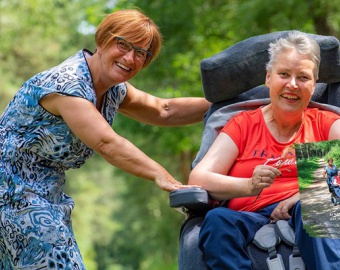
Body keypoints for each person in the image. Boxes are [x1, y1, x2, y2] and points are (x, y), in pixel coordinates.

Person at [0, 9, 210, 269]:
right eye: (123, 45)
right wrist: (162, 175)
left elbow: (164, 110)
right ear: (102, 40)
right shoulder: (68, 86)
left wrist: (234, 104)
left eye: (141, 53)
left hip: (42, 196)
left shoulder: (112, 89)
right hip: (14, 196)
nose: (130, 58)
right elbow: (107, 143)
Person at [189, 31, 340, 269]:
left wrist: (301, 196)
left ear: (314, 83)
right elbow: (198, 178)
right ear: (268, 78)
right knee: (216, 221)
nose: (292, 85)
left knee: (313, 206)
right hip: (248, 215)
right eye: (284, 74)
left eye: (303, 77)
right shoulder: (243, 124)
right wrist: (248, 185)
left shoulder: (326, 122)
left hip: (304, 213)